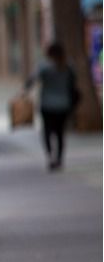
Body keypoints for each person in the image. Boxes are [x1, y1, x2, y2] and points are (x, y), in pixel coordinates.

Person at [26, 42, 81, 171]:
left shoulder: (44, 66)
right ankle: (59, 159)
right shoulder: (68, 65)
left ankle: (51, 156)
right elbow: (74, 83)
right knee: (60, 133)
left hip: (47, 105)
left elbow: (31, 80)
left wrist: (24, 91)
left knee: (47, 131)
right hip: (64, 104)